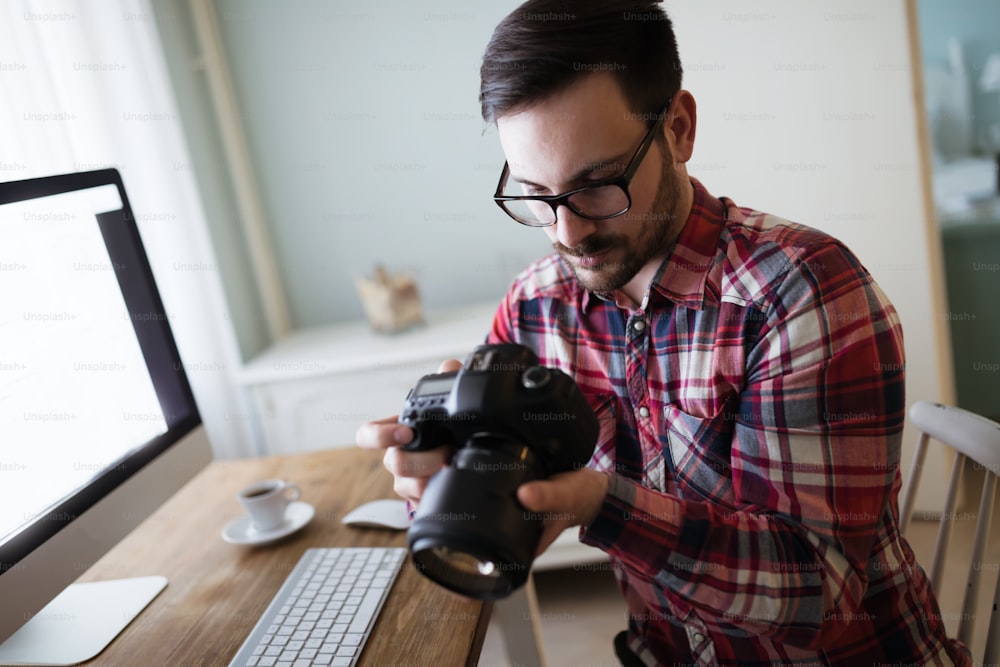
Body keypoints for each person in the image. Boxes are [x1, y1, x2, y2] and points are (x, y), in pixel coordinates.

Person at [357, 1, 972, 665]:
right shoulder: (536, 308)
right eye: (535, 194)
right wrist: (445, 482)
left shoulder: (803, 291)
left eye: (598, 185)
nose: (567, 233)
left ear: (678, 129)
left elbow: (819, 594)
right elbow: (499, 504)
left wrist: (601, 503)